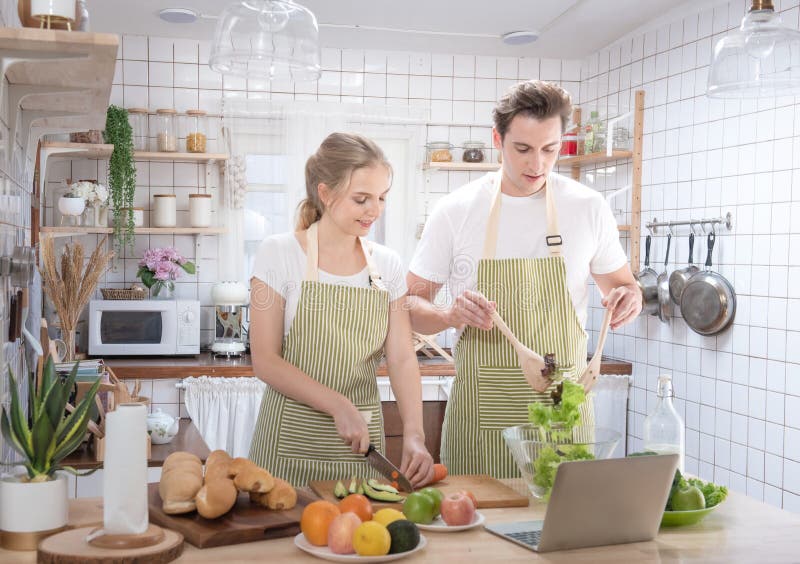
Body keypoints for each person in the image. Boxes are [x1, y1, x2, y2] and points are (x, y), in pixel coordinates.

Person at [406, 80, 642, 478]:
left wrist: (630, 297)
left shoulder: (587, 207)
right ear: (497, 139)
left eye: (549, 149)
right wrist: (448, 314)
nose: (537, 165)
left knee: (564, 530)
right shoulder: (456, 210)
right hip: (483, 416)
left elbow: (622, 286)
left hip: (561, 408)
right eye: (522, 149)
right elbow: (408, 309)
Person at [249, 132, 434, 488]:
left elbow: (401, 359)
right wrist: (338, 406)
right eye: (362, 199)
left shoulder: (387, 265)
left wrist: (414, 433)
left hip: (361, 454)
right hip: (287, 451)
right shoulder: (279, 253)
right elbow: (265, 361)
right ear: (325, 193)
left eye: (381, 198)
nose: (375, 211)